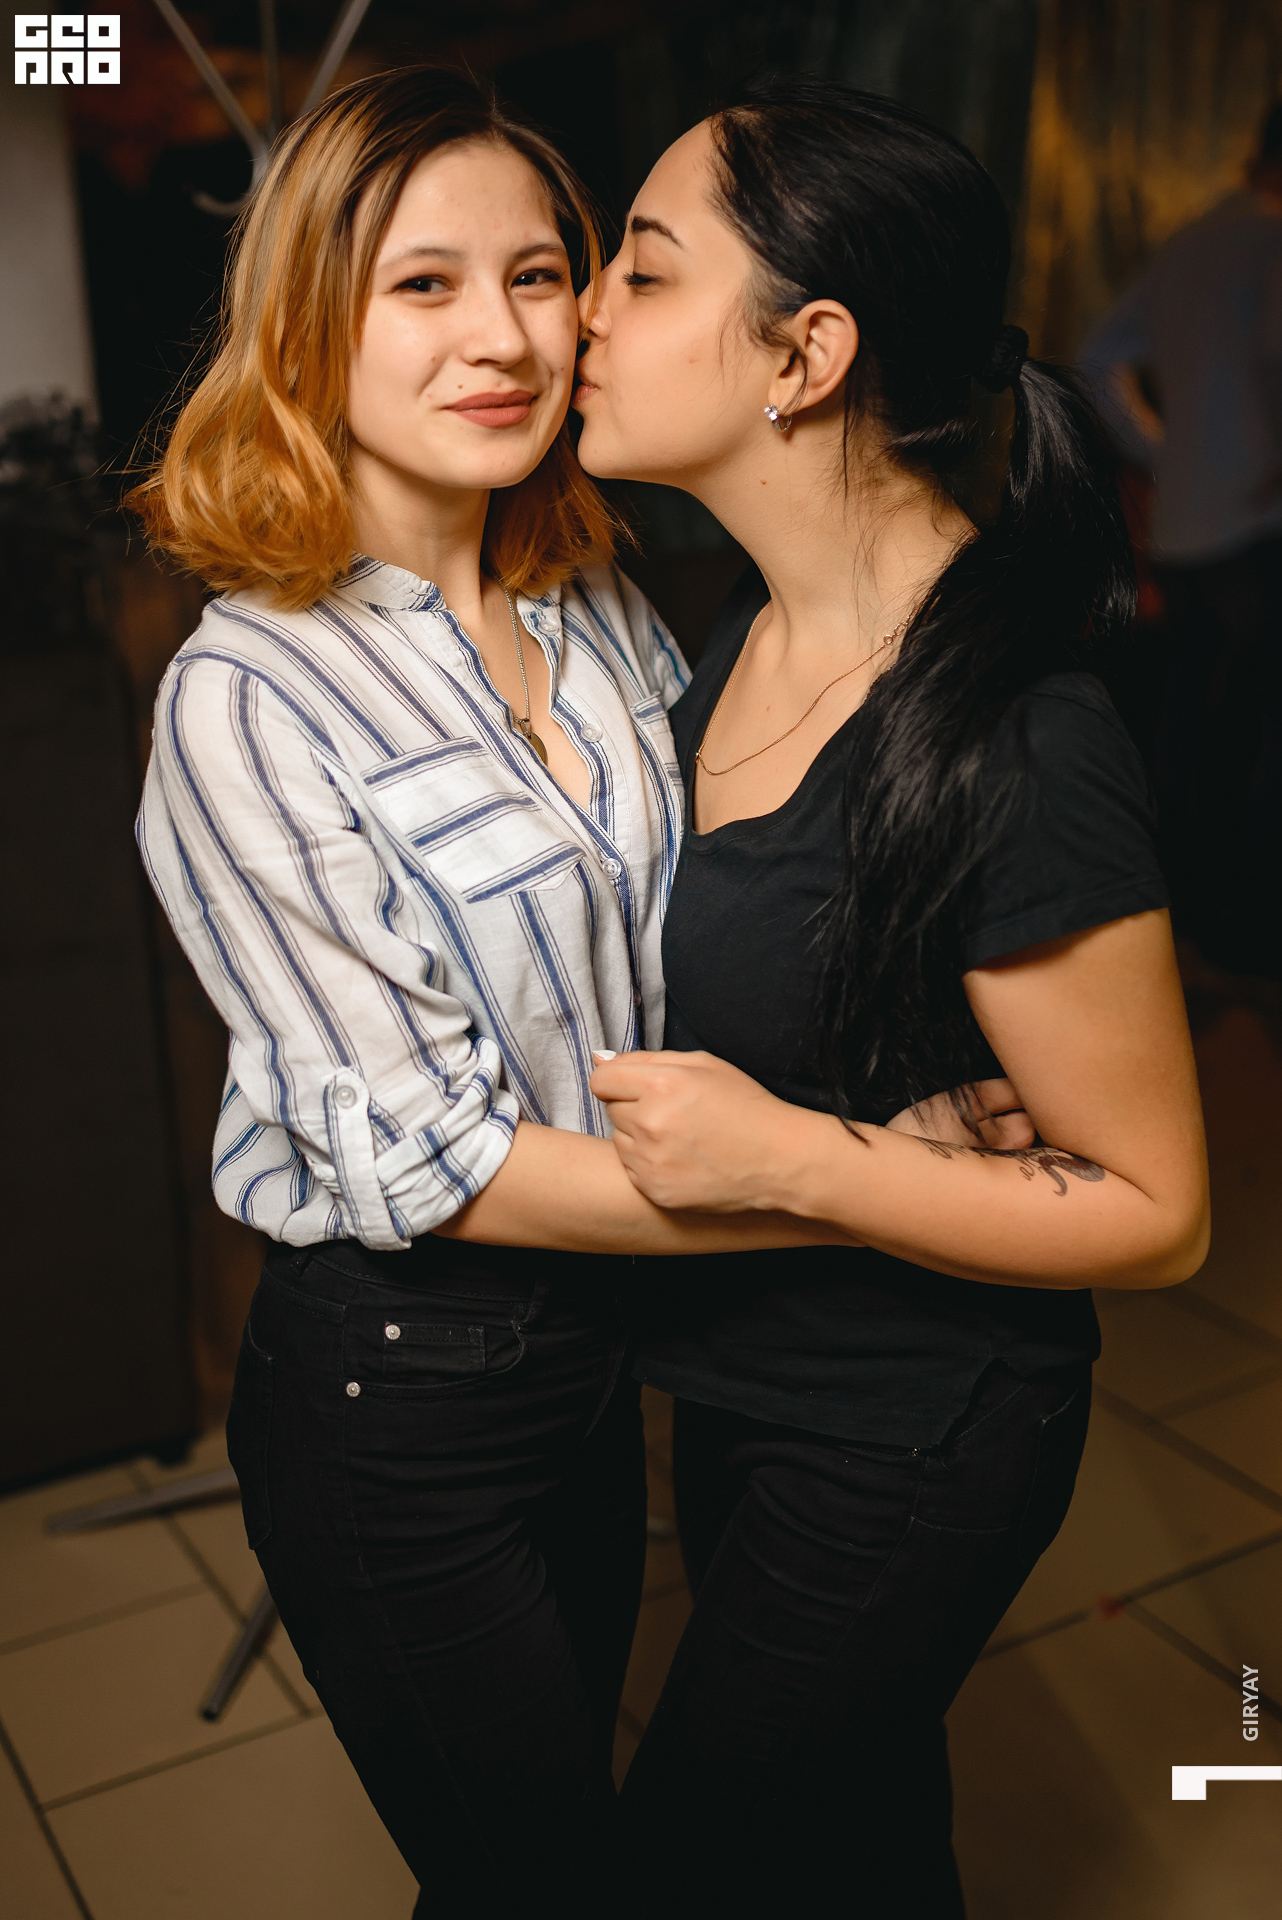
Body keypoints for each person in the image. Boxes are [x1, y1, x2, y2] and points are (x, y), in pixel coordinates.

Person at [130, 66, 897, 1919]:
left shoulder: (593, 604)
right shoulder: (248, 697)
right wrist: (861, 1189)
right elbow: (442, 1161)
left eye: (542, 275)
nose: (502, 336)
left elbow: (712, 939)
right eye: (423, 284)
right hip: (400, 1400)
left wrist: (907, 1085)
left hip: (599, 1360)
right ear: (307, 323)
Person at [574, 78, 1211, 1914]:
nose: (584, 310)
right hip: (745, 1383)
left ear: (805, 355)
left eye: (641, 267)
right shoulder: (740, 631)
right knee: (852, 1849)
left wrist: (801, 1160)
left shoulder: (1012, 728)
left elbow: (1156, 1212)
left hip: (914, 1428)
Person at [1079, 99, 1282, 976]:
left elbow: (1095, 359)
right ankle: (1252, 922)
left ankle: (1176, 909)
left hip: (1185, 522)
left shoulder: (1191, 241)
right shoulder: (1267, 239)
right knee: (1258, 723)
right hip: (1256, 520)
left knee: (1187, 716)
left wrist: (1167, 450)